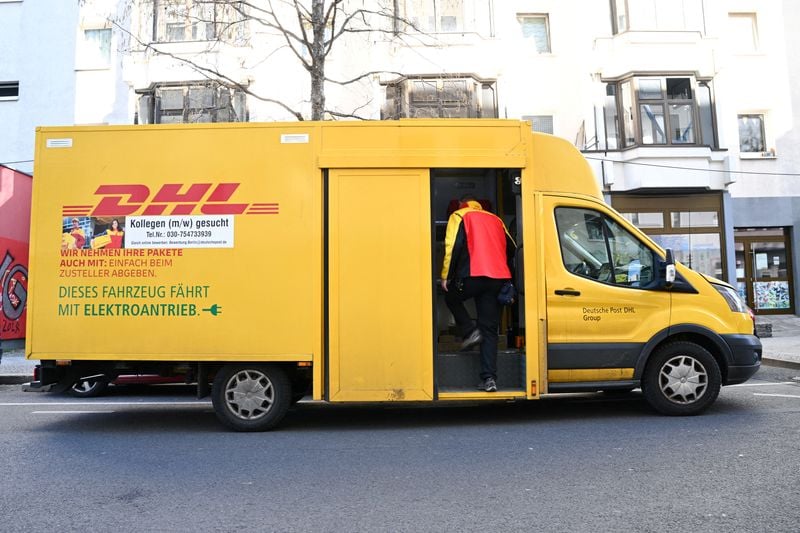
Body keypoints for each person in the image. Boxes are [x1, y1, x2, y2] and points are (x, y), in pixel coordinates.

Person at [440, 195, 516, 392]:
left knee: (451, 298)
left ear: (461, 204)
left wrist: (446, 276)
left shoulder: (459, 215)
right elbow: (512, 248)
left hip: (471, 276)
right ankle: (489, 379)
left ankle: (469, 331)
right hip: (497, 279)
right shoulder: (496, 219)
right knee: (489, 330)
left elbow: (453, 246)